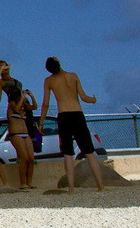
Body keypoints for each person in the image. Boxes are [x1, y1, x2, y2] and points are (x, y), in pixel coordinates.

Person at [41, 56, 105, 193]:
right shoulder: (73, 76)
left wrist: (41, 122)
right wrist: (93, 99)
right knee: (89, 152)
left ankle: (71, 188)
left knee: (68, 154)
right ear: (58, 63)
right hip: (77, 114)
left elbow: (45, 103)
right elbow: (83, 97)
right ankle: (100, 186)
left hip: (64, 116)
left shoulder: (49, 81)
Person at [4, 86, 36, 189]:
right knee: (24, 158)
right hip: (16, 134)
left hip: (25, 134)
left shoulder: (23, 105)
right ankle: (22, 183)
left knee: (31, 158)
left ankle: (29, 182)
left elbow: (34, 107)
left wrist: (32, 97)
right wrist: (22, 97)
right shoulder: (12, 105)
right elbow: (16, 109)